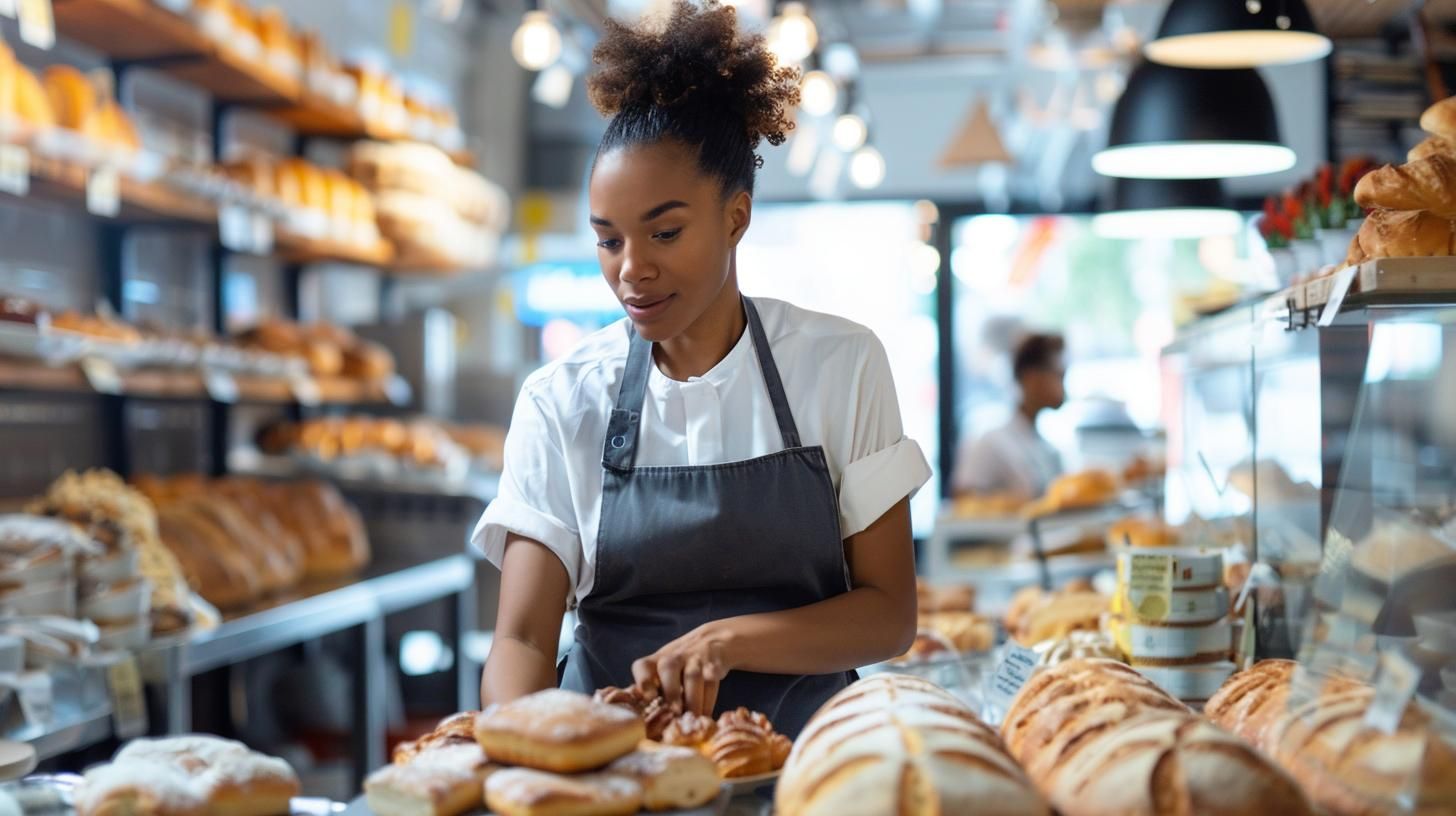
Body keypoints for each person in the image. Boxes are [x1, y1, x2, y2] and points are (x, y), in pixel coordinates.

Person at [472, 0, 929, 737]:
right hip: (615, 771)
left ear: (736, 218)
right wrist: (525, 745)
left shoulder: (840, 364)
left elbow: (887, 614)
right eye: (608, 240)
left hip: (802, 763)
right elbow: (523, 638)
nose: (632, 270)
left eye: (665, 231)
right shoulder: (561, 401)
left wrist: (729, 641)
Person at [952, 332, 1066, 500]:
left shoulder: (1047, 447)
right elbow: (963, 500)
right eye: (1058, 375)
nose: (1063, 386)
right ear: (1032, 379)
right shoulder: (991, 443)